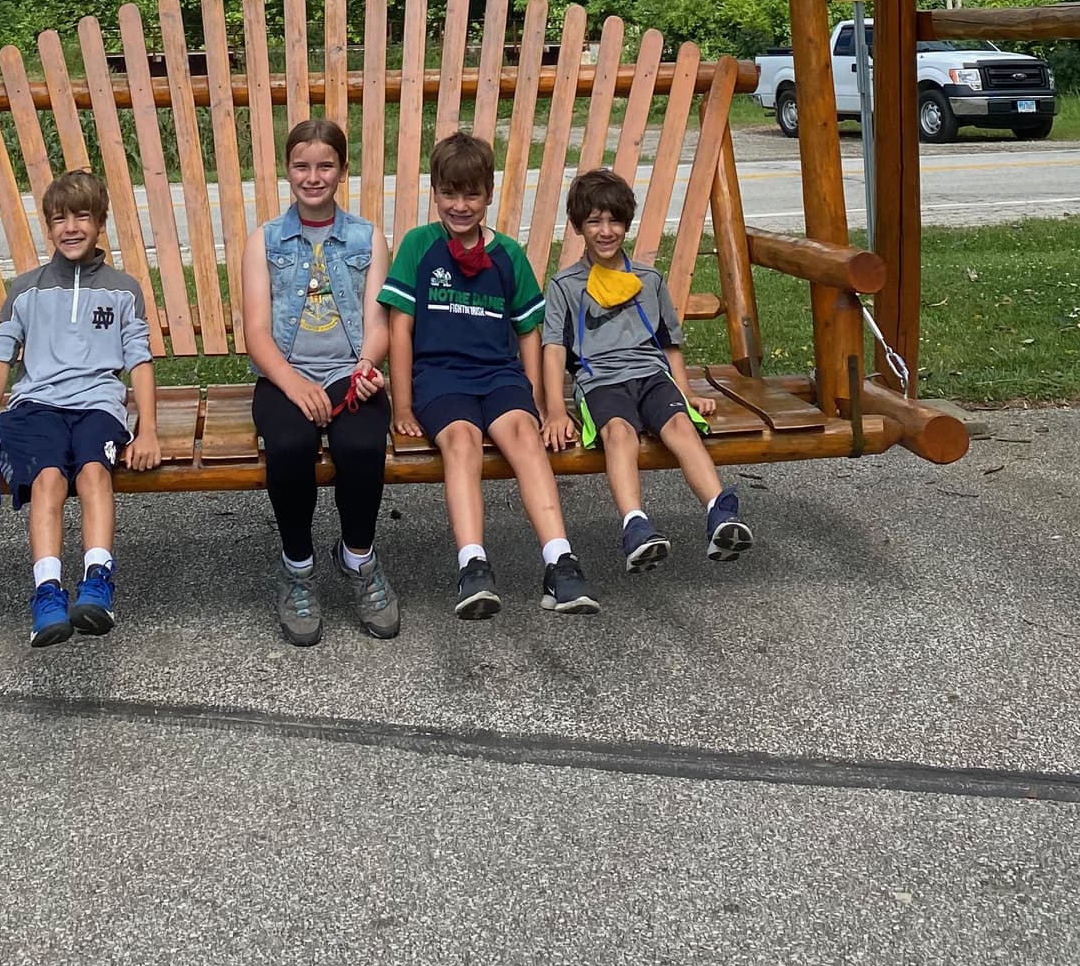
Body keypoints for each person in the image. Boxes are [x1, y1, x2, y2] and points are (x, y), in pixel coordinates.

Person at [381, 129, 596, 619]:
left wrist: (536, 400)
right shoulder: (418, 246)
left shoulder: (508, 255)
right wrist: (403, 404)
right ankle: (473, 565)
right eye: (449, 194)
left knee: (523, 435)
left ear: (489, 195)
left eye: (471, 195)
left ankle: (559, 560)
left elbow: (527, 331)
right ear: (434, 192)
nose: (460, 206)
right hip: (439, 377)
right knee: (460, 440)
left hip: (499, 374)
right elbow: (400, 328)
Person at [0, 168, 160, 647]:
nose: (71, 228)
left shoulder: (123, 289)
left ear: (100, 223)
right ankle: (47, 592)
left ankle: (97, 583)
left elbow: (140, 361)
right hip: (37, 407)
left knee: (93, 473)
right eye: (59, 219)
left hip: (99, 406)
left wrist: (148, 430)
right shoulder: (26, 290)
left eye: (82, 217)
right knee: (48, 480)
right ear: (48, 227)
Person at [539, 166, 753, 571]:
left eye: (614, 221)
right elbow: (553, 349)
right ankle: (635, 525)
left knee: (680, 426)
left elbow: (668, 344)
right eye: (594, 221)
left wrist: (686, 393)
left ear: (626, 223)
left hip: (653, 376)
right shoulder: (566, 286)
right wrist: (554, 410)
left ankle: (719, 511)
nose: (606, 231)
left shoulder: (649, 279)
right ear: (578, 227)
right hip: (601, 381)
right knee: (619, 434)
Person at [242, 117, 400, 646]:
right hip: (286, 373)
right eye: (302, 166)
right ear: (287, 170)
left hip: (347, 371)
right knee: (289, 444)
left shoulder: (367, 237)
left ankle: (358, 557)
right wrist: (293, 385)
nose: (313, 177)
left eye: (325, 166)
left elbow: (377, 321)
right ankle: (298, 567)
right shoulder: (264, 240)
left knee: (361, 445)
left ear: (342, 170)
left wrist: (367, 367)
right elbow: (257, 333)